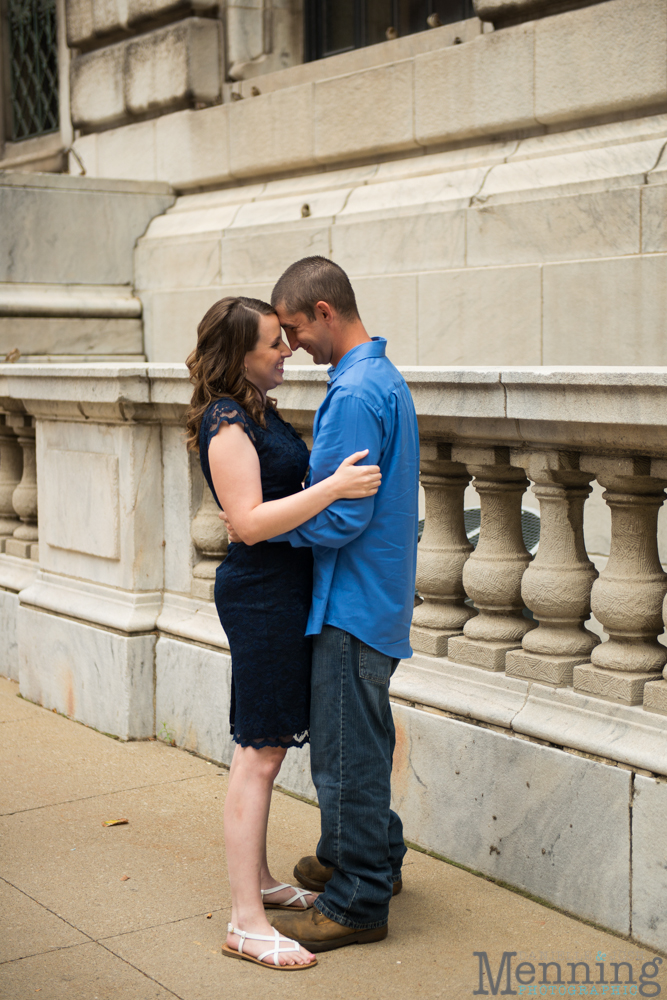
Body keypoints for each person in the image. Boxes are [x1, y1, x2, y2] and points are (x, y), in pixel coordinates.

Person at [184, 295, 381, 970]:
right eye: (273, 342)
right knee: (259, 752)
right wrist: (333, 489)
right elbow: (248, 522)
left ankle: (262, 884)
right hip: (261, 596)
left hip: (283, 593)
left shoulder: (258, 410)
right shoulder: (225, 418)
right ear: (237, 354)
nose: (286, 349)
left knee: (263, 746)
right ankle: (244, 922)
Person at [261, 256, 420, 952]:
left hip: (350, 599)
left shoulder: (354, 391)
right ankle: (364, 852)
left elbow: (337, 517)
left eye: (293, 329)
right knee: (357, 738)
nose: (290, 345)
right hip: (369, 595)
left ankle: (356, 898)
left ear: (325, 311)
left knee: (344, 750)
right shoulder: (377, 377)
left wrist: (263, 525)